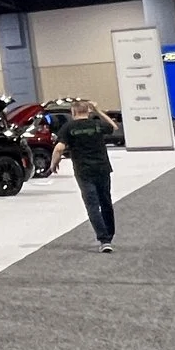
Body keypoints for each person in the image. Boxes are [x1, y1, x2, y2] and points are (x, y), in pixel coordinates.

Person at [53, 102, 119, 251]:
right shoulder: (96, 124)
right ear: (88, 111)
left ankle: (104, 240)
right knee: (106, 202)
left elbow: (59, 148)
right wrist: (98, 110)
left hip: (84, 171)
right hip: (102, 168)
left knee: (92, 205)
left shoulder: (68, 128)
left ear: (73, 111)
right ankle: (109, 234)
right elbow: (113, 127)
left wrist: (53, 164)